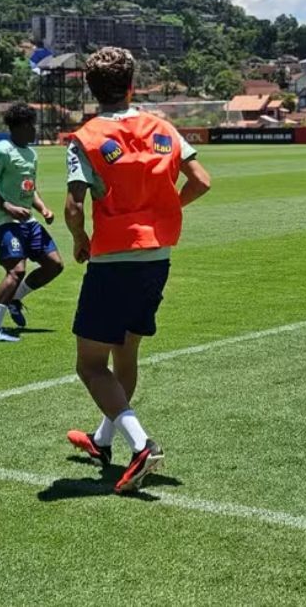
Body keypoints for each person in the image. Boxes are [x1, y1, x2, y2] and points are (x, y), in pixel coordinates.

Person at [63, 47, 211, 493]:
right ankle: (102, 440)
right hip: (157, 257)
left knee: (91, 365)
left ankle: (141, 444)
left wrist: (80, 240)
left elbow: (73, 206)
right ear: (132, 85)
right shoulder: (162, 126)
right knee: (126, 354)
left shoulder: (85, 137)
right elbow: (201, 181)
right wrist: (165, 212)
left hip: (113, 259)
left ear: (91, 90)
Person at [0, 103, 63, 343]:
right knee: (16, 271)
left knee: (54, 265)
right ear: (22, 126)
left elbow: (30, 188)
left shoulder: (31, 154)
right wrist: (9, 207)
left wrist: (42, 208)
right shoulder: (1, 151)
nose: (35, 130)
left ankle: (16, 298)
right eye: (32, 126)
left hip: (29, 222)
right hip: (5, 221)